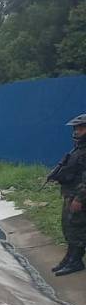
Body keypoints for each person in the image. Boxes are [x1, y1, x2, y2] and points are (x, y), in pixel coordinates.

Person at [48, 113, 86, 276]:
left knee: (77, 229)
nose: (77, 131)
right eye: (76, 128)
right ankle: (69, 258)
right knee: (68, 227)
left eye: (81, 128)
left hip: (79, 197)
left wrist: (80, 198)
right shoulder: (78, 149)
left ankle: (76, 261)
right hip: (70, 194)